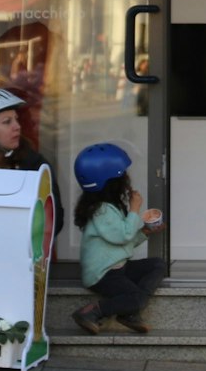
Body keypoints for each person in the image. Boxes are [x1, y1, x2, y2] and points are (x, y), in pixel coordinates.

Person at [68, 142, 164, 335]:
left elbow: (122, 241)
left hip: (118, 267)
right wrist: (135, 208)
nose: (128, 180)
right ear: (112, 181)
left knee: (157, 265)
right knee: (136, 297)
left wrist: (145, 232)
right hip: (103, 274)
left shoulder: (109, 207)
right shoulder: (102, 210)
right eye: (123, 176)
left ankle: (128, 309)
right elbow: (123, 235)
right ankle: (93, 312)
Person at [0, 87, 65, 235]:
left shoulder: (33, 164)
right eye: (7, 122)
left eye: (16, 120)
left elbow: (54, 219)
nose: (17, 127)